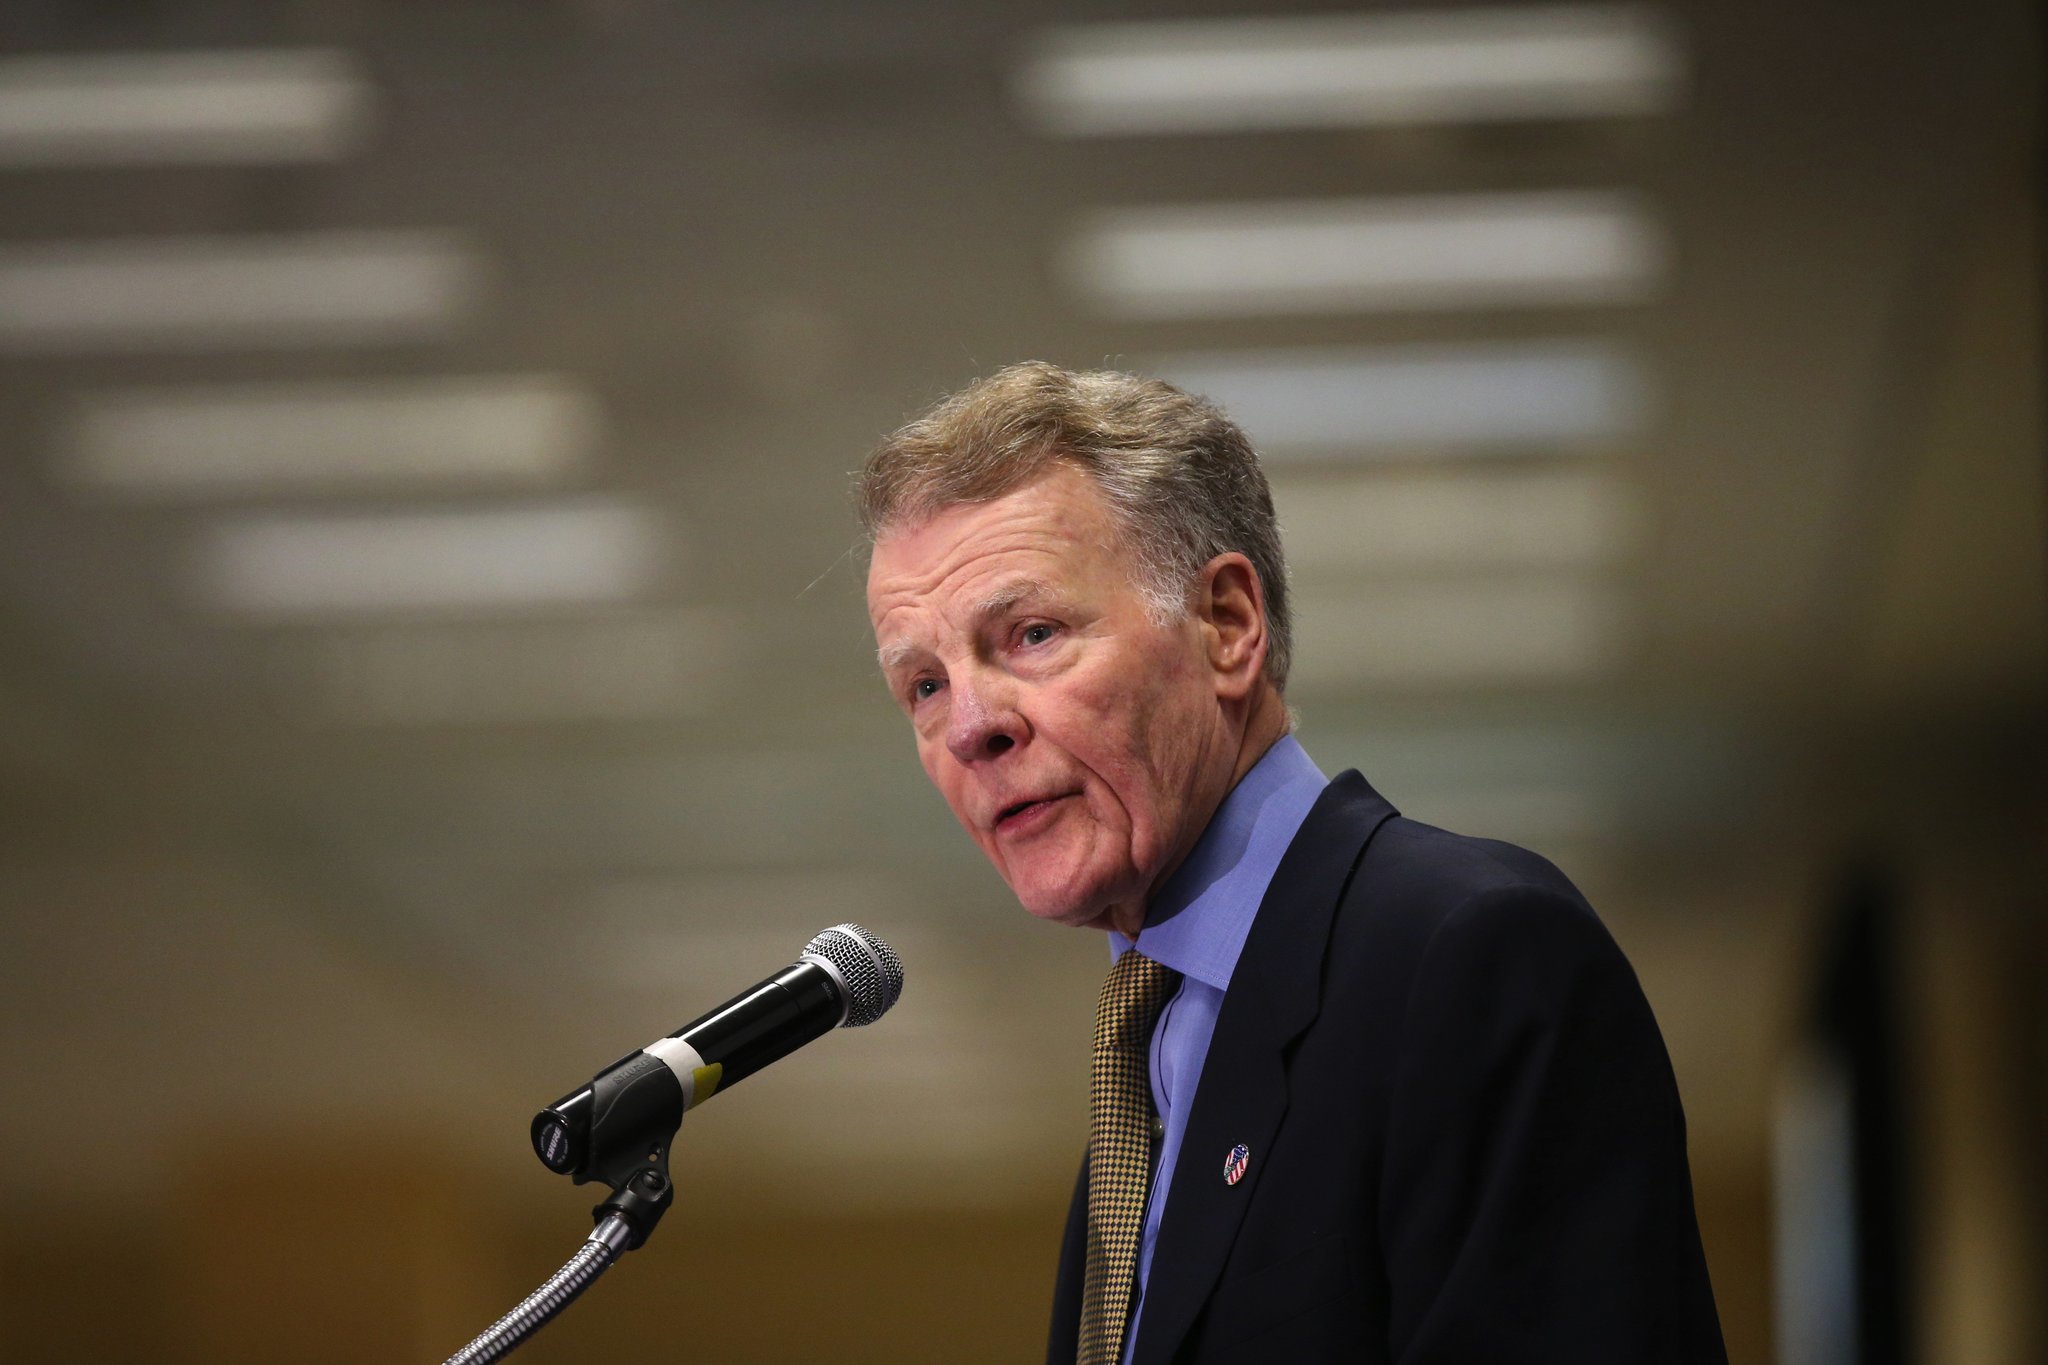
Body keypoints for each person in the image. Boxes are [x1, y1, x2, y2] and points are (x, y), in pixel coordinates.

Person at [858, 361, 1727, 1364]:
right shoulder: (1144, 1083)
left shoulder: (1466, 953)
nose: (969, 728)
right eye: (923, 686)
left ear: (1226, 625)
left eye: (1032, 634)